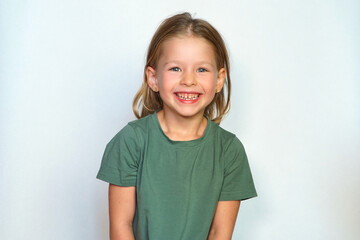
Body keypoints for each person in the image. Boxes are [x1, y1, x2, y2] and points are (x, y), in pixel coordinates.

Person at [96, 12, 257, 240]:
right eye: (175, 69)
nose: (189, 80)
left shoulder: (229, 151)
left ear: (219, 79)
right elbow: (121, 226)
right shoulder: (131, 141)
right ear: (153, 78)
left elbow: (220, 232)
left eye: (201, 69)